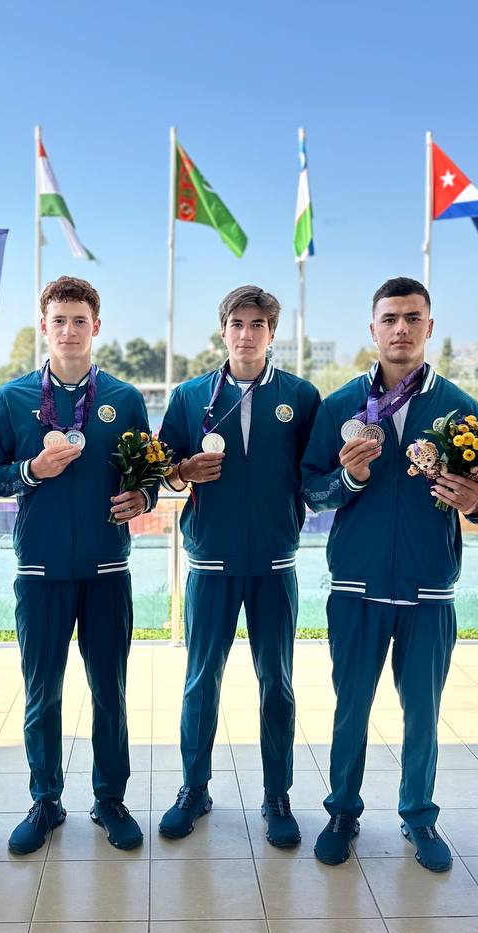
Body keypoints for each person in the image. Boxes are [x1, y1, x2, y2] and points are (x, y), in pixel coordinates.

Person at [300, 277, 478, 869]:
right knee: (351, 709)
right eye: (390, 319)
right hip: (356, 586)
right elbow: (311, 491)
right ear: (373, 329)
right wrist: (350, 479)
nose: (401, 329)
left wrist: (475, 502)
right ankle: (342, 810)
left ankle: (418, 816)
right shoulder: (339, 406)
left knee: (423, 713)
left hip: (428, 587)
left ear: (429, 327)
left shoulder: (461, 409)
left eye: (413, 318)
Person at [0, 276, 156, 854]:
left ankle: (110, 799)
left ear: (95, 326)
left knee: (110, 692)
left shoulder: (124, 398)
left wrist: (143, 497)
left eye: (80, 320)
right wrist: (31, 471)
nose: (70, 330)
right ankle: (45, 800)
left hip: (106, 570)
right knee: (42, 693)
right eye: (60, 320)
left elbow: (146, 473)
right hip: (40, 571)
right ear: (44, 325)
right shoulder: (11, 399)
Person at [155, 285, 320, 846]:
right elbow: (163, 468)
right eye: (237, 324)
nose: (246, 334)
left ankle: (277, 795)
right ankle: (193, 788)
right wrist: (184, 472)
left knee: (277, 683)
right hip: (210, 561)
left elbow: (316, 474)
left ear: (272, 333)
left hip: (274, 563)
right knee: (201, 681)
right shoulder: (189, 396)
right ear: (222, 330)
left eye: (257, 325)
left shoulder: (300, 396)